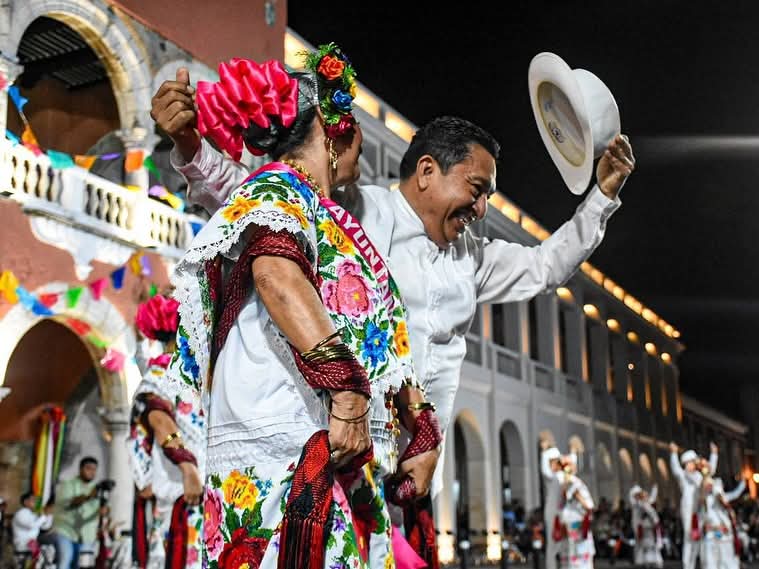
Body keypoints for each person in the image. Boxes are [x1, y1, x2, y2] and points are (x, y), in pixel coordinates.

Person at [150, 64, 636, 493]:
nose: (482, 209)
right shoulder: (353, 211)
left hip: (416, 464)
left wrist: (602, 197)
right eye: (476, 189)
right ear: (427, 171)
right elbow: (257, 199)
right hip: (341, 445)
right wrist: (190, 145)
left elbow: (547, 265)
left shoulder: (473, 257)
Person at [157, 45, 441, 569]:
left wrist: (421, 426)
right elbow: (275, 272)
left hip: (334, 452)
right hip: (285, 450)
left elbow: (376, 333)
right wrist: (348, 392)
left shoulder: (330, 217)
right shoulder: (277, 189)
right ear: (337, 129)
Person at [125, 293, 200, 568]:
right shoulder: (160, 375)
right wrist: (188, 468)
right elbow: (159, 420)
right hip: (183, 489)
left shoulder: (193, 373)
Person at [671, 442, 719, 569]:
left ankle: (704, 564)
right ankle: (688, 565)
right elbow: (675, 468)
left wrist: (714, 455)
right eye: (691, 462)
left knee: (700, 537)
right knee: (690, 537)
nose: (693, 465)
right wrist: (673, 454)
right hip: (689, 510)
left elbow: (710, 471)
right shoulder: (683, 475)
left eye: (693, 462)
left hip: (700, 509)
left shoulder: (698, 475)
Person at [52, 457, 104, 569]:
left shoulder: (97, 489)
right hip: (66, 531)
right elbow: (69, 503)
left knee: (81, 565)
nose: (91, 472)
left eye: (94, 469)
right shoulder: (68, 484)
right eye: (88, 468)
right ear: (80, 469)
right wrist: (89, 496)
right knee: (65, 560)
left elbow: (96, 510)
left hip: (86, 534)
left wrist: (103, 511)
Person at [557, 455, 595, 569]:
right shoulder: (572, 481)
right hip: (576, 520)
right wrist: (587, 507)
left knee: (572, 549)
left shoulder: (564, 482)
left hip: (570, 519)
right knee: (579, 549)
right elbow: (577, 495)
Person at [540, 434, 568, 569]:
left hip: (561, 511)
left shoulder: (561, 476)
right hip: (554, 511)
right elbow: (545, 471)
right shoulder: (553, 477)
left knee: (563, 542)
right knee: (553, 542)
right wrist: (544, 453)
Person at [700, 477, 740, 569]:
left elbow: (729, 523)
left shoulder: (725, 505)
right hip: (711, 536)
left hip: (724, 536)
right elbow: (704, 522)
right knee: (711, 561)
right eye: (706, 486)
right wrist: (709, 527)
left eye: (710, 485)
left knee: (726, 560)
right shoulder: (706, 502)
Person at [629, 485, 663, 568]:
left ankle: (652, 561)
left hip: (649, 527)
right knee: (644, 545)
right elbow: (650, 510)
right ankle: (646, 561)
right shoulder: (638, 503)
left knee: (651, 545)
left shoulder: (644, 503)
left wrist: (654, 489)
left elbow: (652, 500)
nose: (644, 496)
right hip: (643, 527)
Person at [12, 492, 52, 561]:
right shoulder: (20, 513)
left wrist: (48, 515)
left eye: (37, 501)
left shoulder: (34, 514)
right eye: (33, 500)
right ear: (25, 502)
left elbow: (44, 527)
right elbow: (31, 526)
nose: (36, 502)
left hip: (32, 546)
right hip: (22, 547)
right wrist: (43, 516)